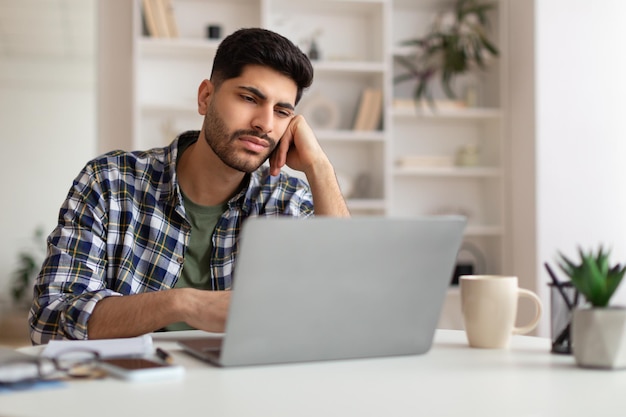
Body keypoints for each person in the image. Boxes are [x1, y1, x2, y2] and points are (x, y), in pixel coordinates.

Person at [29, 28, 350, 345]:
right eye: (250, 98)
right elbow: (49, 319)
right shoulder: (110, 181)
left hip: (249, 388)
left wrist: (319, 167)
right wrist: (183, 304)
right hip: (130, 389)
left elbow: (344, 309)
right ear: (205, 97)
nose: (265, 124)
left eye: (282, 112)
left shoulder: (287, 200)